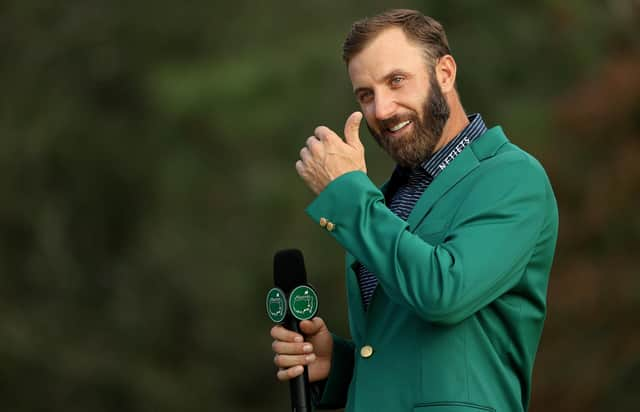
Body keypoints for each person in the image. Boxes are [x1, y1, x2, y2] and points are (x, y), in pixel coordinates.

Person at [270, 9, 558, 412]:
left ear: (445, 73)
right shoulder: (387, 200)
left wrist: (348, 196)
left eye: (396, 81)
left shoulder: (512, 177)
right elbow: (418, 353)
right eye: (366, 94)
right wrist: (336, 364)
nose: (382, 110)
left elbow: (443, 294)